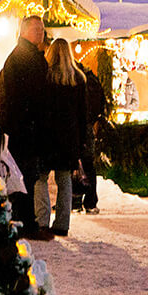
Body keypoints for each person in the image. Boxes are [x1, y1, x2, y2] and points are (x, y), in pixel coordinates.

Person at [0, 15, 48, 238]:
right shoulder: (26, 59)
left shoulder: (22, 57)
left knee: (24, 175)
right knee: (25, 176)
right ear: (24, 31)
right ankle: (25, 221)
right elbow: (32, 96)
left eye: (42, 29)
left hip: (21, 127)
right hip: (26, 128)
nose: (40, 33)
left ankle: (23, 219)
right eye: (36, 29)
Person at [33, 37, 87, 237]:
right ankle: (62, 223)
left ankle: (42, 220)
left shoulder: (45, 77)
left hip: (47, 136)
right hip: (69, 137)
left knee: (41, 179)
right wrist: (81, 140)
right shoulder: (78, 79)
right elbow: (83, 114)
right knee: (65, 180)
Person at [73, 67, 106, 214]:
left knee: (76, 164)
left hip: (78, 126)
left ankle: (76, 201)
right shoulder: (91, 79)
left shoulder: (77, 79)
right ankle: (90, 202)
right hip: (88, 126)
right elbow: (100, 104)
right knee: (88, 164)